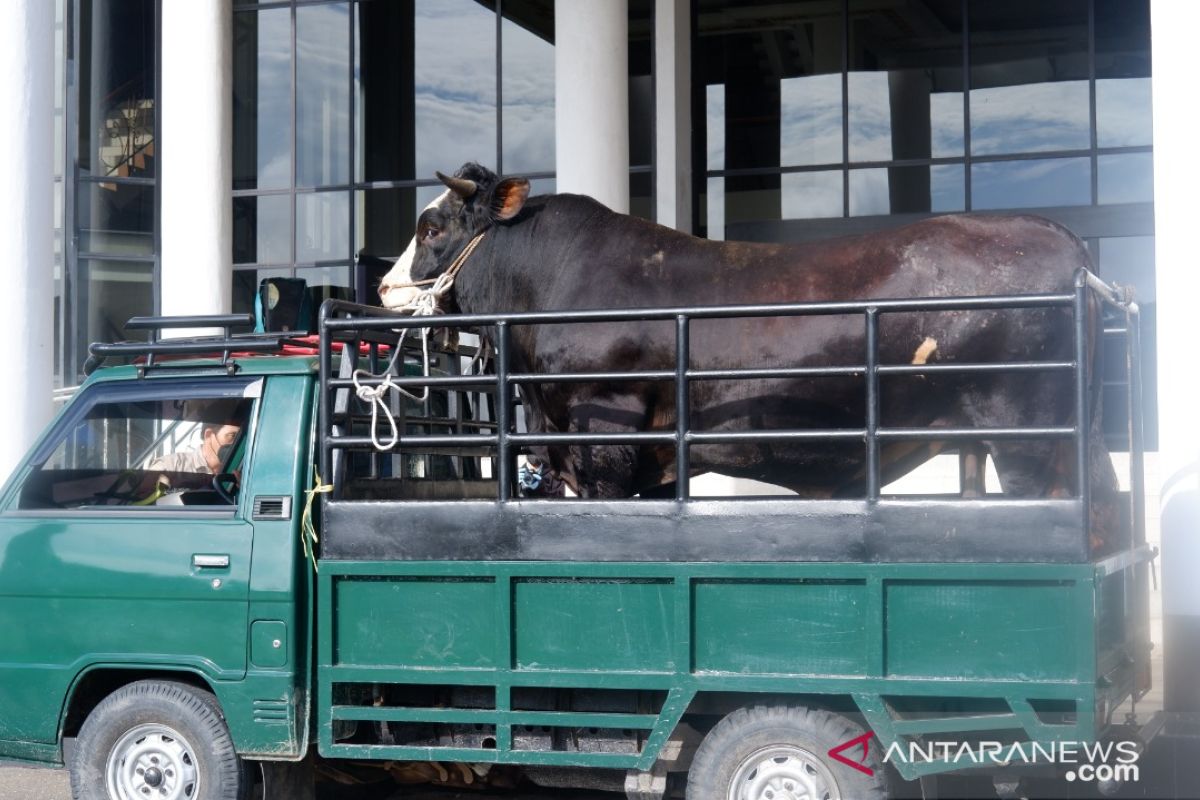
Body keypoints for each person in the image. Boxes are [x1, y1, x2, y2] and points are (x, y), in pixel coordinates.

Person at [148, 421, 241, 475]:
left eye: (241, 438)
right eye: (232, 436)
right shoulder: (171, 467)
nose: (237, 443)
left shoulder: (242, 470)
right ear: (208, 435)